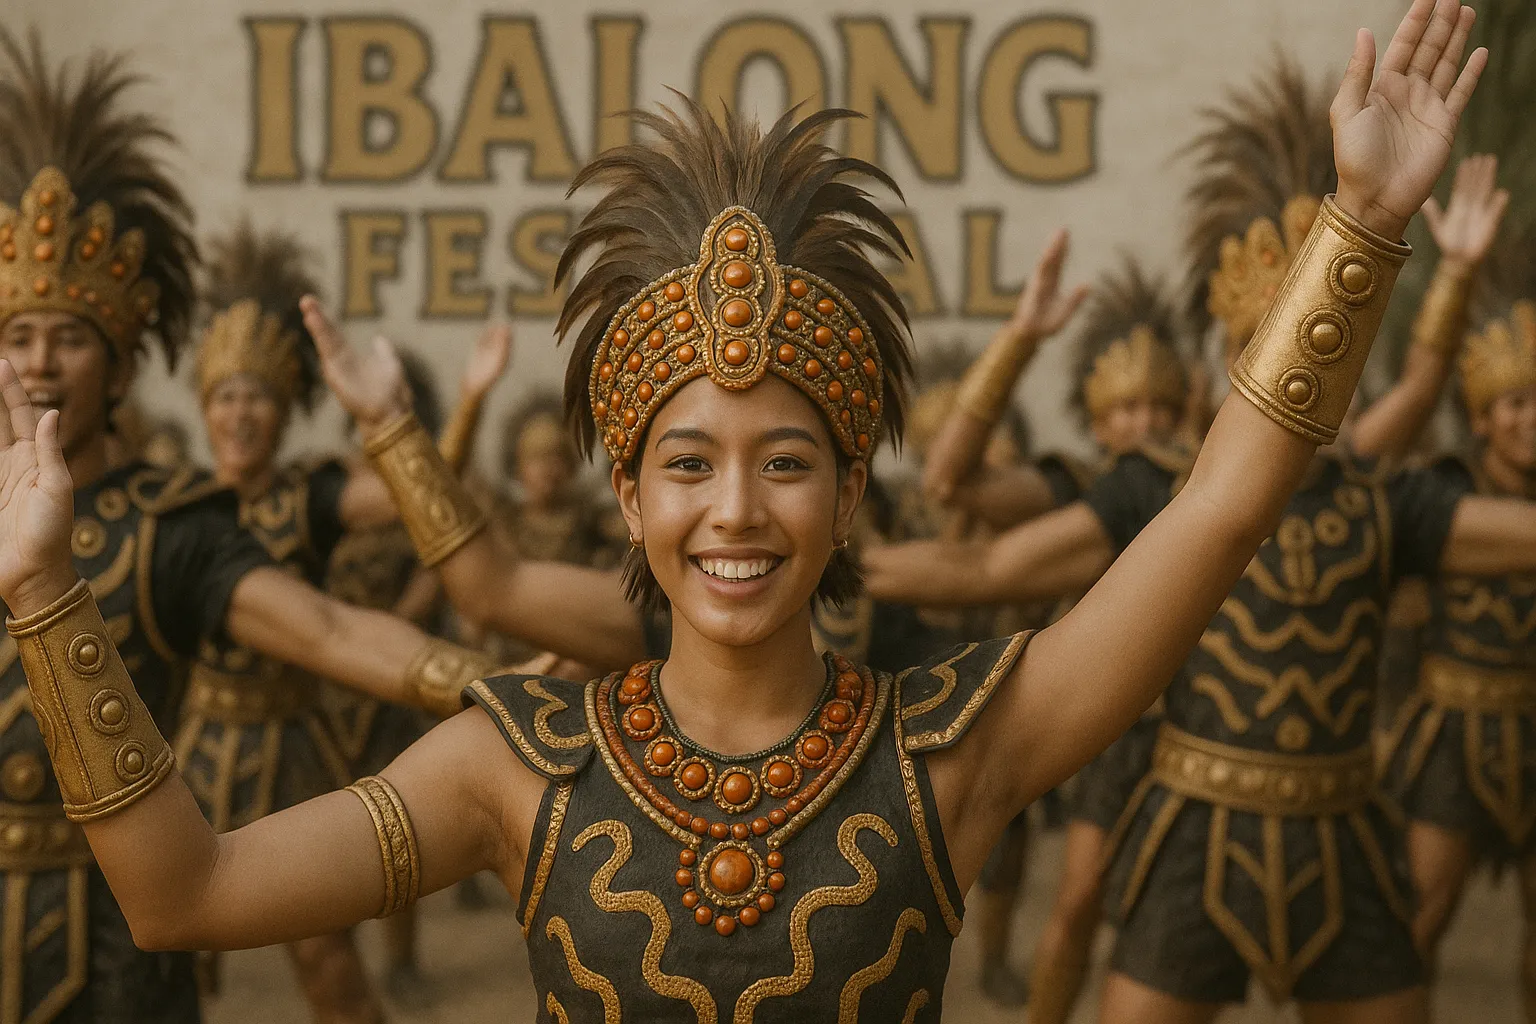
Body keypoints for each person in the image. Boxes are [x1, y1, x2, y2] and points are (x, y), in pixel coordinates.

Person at [0, 6, 1493, 1020]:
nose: (735, 510)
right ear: (628, 493)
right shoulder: (512, 768)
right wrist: (48, 592)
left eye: (785, 462)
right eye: (688, 463)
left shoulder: (953, 750)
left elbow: (1217, 512)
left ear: (847, 499)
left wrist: (1362, 228)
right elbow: (184, 893)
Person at [860, 48, 1519, 1023]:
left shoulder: (1385, 496)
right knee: (1078, 912)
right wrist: (830, 562)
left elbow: (1473, 473)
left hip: (1342, 829)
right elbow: (984, 559)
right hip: (1195, 826)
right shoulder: (1152, 487)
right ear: (1226, 363)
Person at [0, 31, 503, 1024]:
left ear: (121, 363)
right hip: (195, 755)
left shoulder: (177, 521)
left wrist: (495, 686)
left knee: (325, 960)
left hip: (123, 902)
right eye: (19, 337)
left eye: (70, 339)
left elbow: (327, 629)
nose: (43, 362)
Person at [1379, 229, 1536, 1018]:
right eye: (1517, 403)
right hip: (1455, 733)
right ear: (1481, 418)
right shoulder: (1443, 491)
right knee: (1423, 914)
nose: (1533, 419)